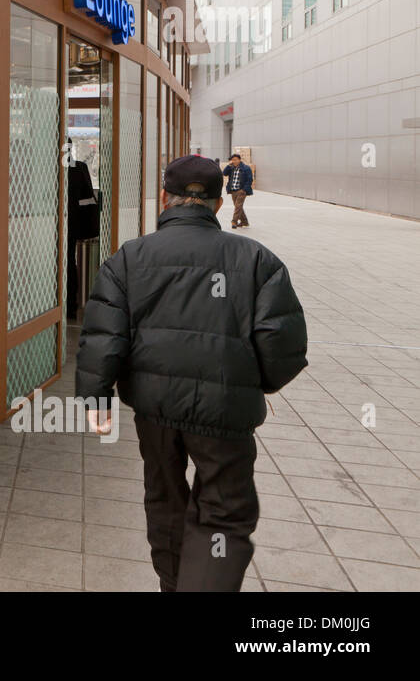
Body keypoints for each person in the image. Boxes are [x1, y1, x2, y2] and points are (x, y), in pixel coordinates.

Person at [76, 155, 307, 592]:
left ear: (165, 198)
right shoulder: (257, 260)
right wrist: (257, 382)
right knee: (224, 509)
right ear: (219, 203)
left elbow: (104, 333)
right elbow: (284, 344)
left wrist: (96, 398)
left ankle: (172, 582)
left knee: (164, 498)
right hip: (226, 411)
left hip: (155, 407)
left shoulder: (131, 258)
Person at [221, 153, 254, 228]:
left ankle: (234, 221)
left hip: (241, 191)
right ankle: (245, 222)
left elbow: (250, 180)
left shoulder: (246, 168)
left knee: (238, 206)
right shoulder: (231, 168)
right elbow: (224, 173)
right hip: (233, 190)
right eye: (232, 160)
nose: (234, 161)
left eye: (235, 160)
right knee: (238, 207)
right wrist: (229, 165)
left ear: (239, 160)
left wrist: (244, 190)